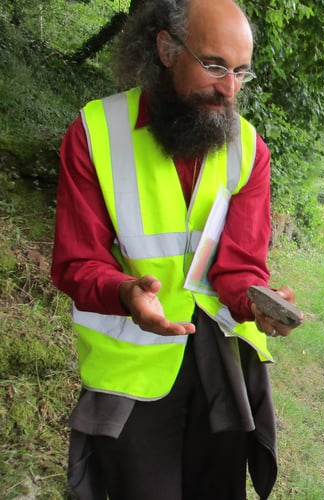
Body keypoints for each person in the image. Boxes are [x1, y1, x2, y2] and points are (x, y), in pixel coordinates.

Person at [50, 0, 302, 498]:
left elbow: (238, 266)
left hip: (222, 360)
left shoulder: (249, 148)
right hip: (134, 370)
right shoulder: (96, 132)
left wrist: (257, 302)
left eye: (240, 72)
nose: (228, 89)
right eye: (213, 65)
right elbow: (77, 262)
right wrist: (126, 293)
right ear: (166, 48)